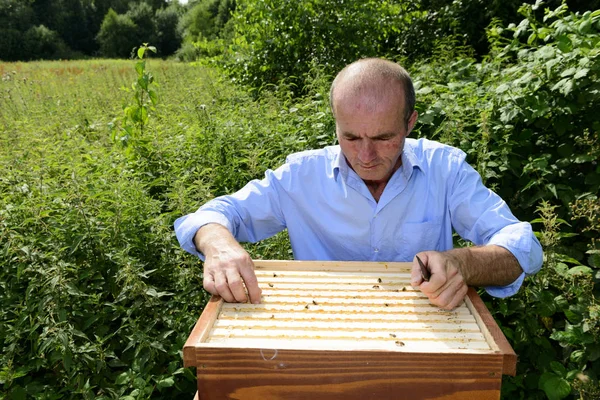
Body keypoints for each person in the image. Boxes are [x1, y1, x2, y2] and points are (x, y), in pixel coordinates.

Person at [174, 58, 543, 310]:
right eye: (350, 137)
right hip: (319, 337)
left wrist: (463, 262)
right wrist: (219, 245)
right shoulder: (301, 176)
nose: (366, 155)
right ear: (335, 122)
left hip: (423, 348)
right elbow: (215, 215)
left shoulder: (445, 169)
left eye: (383, 137)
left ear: (410, 122)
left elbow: (521, 246)